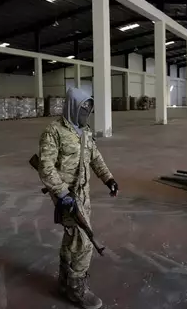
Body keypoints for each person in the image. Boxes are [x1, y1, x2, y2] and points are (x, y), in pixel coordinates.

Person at [37, 87, 118, 309]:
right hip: (65, 195)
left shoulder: (85, 131)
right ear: (73, 107)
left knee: (72, 237)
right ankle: (75, 288)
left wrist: (108, 178)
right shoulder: (53, 132)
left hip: (83, 193)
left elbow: (95, 157)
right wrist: (62, 194)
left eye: (89, 109)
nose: (87, 113)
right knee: (84, 241)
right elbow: (45, 167)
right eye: (83, 108)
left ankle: (64, 281)